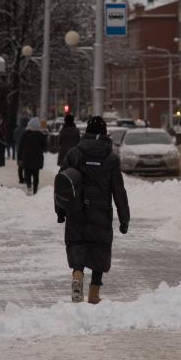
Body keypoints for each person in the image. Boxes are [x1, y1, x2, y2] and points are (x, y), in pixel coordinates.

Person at [57, 116, 130, 304]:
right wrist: (124, 218)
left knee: (77, 244)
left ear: (87, 132)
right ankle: (94, 293)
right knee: (100, 248)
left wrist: (60, 211)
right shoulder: (111, 158)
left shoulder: (74, 153)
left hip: (77, 211)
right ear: (105, 133)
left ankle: (78, 275)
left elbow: (63, 183)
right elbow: (118, 190)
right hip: (101, 212)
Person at [18, 117, 47, 195]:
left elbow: (20, 147)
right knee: (36, 175)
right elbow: (45, 147)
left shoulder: (25, 134)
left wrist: (19, 158)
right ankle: (35, 189)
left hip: (26, 158)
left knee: (27, 174)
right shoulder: (41, 135)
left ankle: (29, 187)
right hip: (37, 159)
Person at [14, 117, 29, 184]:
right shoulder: (27, 130)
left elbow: (14, 137)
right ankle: (26, 178)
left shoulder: (17, 129)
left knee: (20, 165)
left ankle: (21, 179)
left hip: (18, 147)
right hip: (26, 148)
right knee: (26, 164)